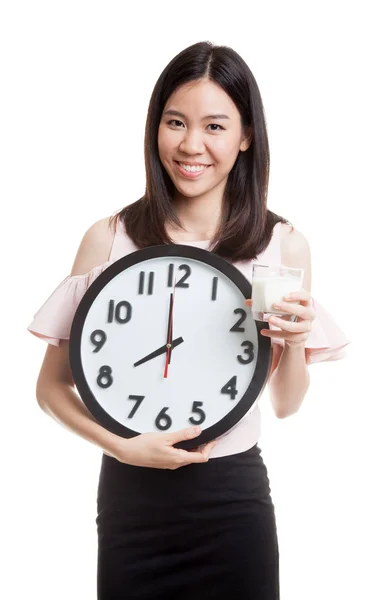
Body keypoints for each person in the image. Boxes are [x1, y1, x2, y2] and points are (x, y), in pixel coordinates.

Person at [27, 41, 350, 600]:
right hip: (133, 500)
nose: (191, 144)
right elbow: (51, 388)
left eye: (215, 126)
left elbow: (285, 404)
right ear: (156, 128)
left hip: (233, 503)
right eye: (175, 122)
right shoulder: (109, 239)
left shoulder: (282, 247)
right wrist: (123, 447)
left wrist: (294, 344)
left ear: (246, 136)